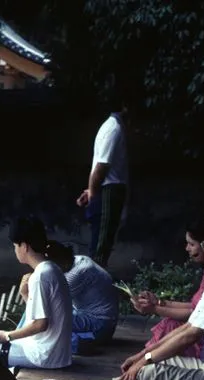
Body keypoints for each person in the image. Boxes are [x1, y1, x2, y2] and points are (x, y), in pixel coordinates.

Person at [39, 215, 204, 380]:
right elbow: (187, 325)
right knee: (158, 363)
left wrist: (145, 359)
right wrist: (144, 354)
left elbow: (191, 334)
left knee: (155, 374)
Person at [130, 222, 204, 359]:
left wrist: (154, 309)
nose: (187, 248)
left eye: (192, 244)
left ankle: (148, 362)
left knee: (171, 324)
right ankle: (146, 361)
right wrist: (158, 302)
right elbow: (194, 306)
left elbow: (194, 314)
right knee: (171, 323)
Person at [0, 217, 73, 370]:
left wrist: (7, 335)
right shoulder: (51, 268)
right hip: (55, 353)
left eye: (15, 246)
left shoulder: (41, 276)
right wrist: (25, 295)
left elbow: (41, 324)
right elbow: (42, 315)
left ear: (24, 246)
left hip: (44, 355)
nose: (14, 250)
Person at [76, 95, 129, 269]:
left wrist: (90, 191)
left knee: (102, 242)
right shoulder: (113, 128)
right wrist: (92, 193)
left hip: (106, 188)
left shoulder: (112, 126)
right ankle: (94, 286)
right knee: (101, 245)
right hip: (108, 191)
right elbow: (101, 166)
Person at [45, 241, 119, 352]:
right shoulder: (80, 260)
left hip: (100, 325)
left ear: (62, 264)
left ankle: (78, 343)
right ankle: (79, 339)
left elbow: (48, 303)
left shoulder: (76, 274)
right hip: (98, 319)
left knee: (48, 323)